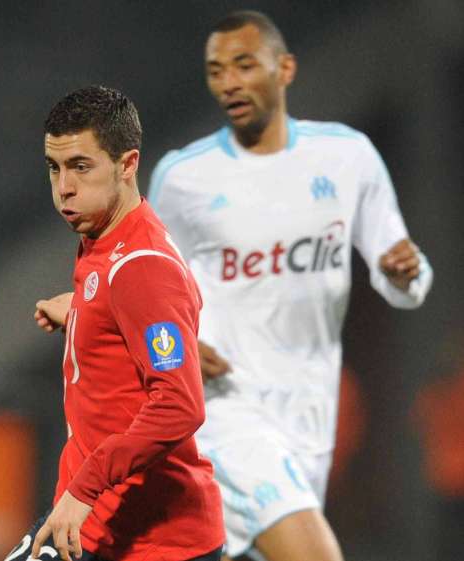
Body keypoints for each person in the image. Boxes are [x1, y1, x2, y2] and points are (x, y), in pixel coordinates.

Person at [146, 10, 433, 561]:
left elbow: (402, 271)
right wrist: (173, 344)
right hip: (223, 407)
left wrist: (406, 272)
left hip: (309, 411)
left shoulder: (347, 157)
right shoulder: (184, 177)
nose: (229, 82)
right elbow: (144, 287)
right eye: (216, 71)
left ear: (285, 69)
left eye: (244, 65)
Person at [7, 85, 224, 561]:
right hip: (97, 523)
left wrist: (85, 488)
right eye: (54, 168)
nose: (64, 187)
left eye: (81, 167)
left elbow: (179, 406)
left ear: (128, 164)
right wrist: (82, 313)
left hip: (154, 542)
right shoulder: (104, 240)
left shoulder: (142, 266)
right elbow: (131, 320)